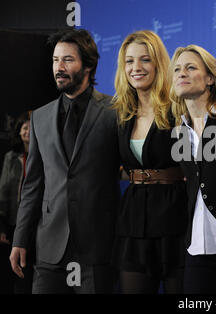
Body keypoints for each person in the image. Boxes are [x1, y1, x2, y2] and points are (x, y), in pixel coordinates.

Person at [9, 29, 121, 294]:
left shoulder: (115, 112)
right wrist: (20, 239)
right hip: (49, 246)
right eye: (55, 60)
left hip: (97, 247)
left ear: (88, 64)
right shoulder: (40, 118)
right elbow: (32, 185)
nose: (59, 67)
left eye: (68, 60)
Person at [112, 30, 188, 294]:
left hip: (176, 217)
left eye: (144, 60)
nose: (136, 68)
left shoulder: (179, 108)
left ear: (158, 64)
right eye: (129, 61)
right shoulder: (121, 114)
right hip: (134, 219)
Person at [169, 44, 216, 293]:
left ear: (210, 78)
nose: (182, 73)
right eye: (178, 69)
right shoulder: (179, 130)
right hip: (197, 248)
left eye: (191, 67)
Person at [0, 111, 33, 293]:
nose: (28, 131)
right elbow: (3, 192)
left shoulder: (44, 155)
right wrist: (2, 226)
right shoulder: (11, 158)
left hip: (37, 224)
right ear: (19, 131)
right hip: (14, 222)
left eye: (31, 128)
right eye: (24, 128)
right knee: (14, 271)